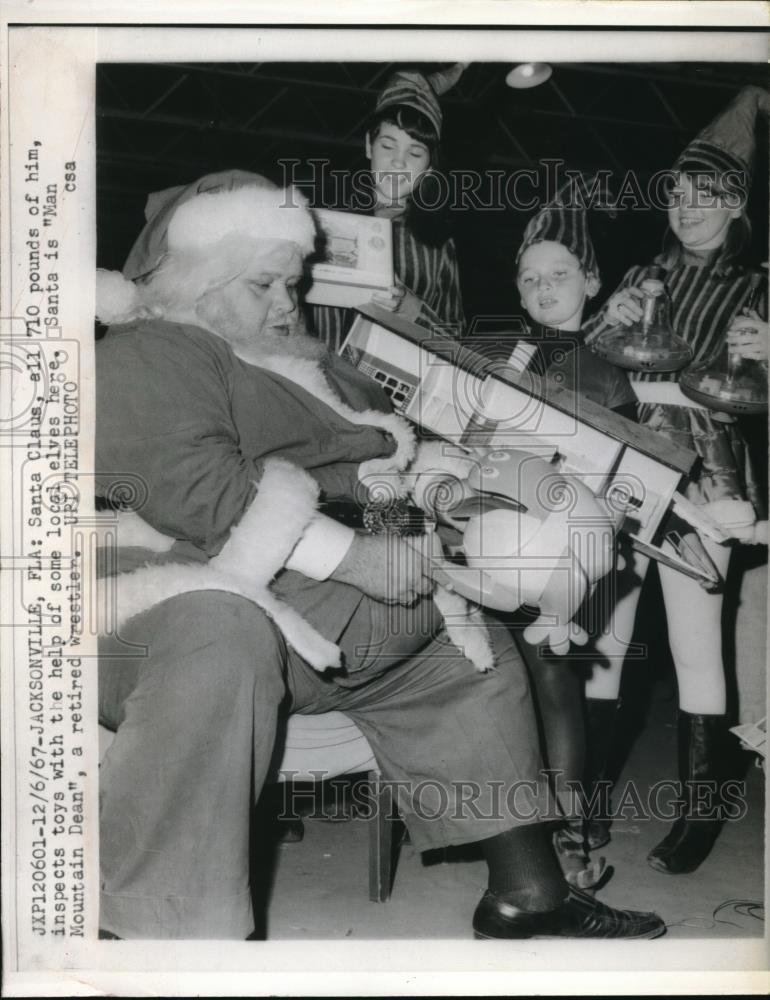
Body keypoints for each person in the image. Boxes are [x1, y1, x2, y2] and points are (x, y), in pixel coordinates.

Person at [93, 169, 666, 941]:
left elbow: (382, 458)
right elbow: (203, 496)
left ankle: (529, 892)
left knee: (469, 651)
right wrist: (355, 556)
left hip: (306, 603)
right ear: (200, 276)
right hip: (165, 612)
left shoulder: (285, 365)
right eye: (266, 283)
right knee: (221, 631)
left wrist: (455, 489)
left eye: (291, 283)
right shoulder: (150, 351)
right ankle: (163, 934)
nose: (287, 302)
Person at [581, 85, 769, 874]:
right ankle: (582, 807)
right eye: (680, 192)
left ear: (736, 206)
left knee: (697, 651)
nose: (688, 207)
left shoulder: (759, 284)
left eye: (709, 196)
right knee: (607, 642)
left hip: (706, 475)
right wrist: (601, 325)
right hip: (621, 462)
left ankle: (697, 819)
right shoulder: (640, 270)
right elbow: (587, 368)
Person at [505, 192, 637, 888]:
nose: (542, 287)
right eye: (529, 278)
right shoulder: (518, 356)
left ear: (591, 280)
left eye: (557, 273)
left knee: (556, 681)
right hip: (504, 538)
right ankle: (533, 828)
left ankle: (570, 835)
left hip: (568, 547)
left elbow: (617, 477)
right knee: (514, 685)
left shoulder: (612, 363)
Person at [311, 65, 466, 353]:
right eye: (388, 146)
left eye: (415, 152)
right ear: (369, 146)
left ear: (429, 166)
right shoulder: (320, 223)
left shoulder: (439, 245)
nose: (398, 162)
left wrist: (414, 310)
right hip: (318, 388)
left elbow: (455, 341)